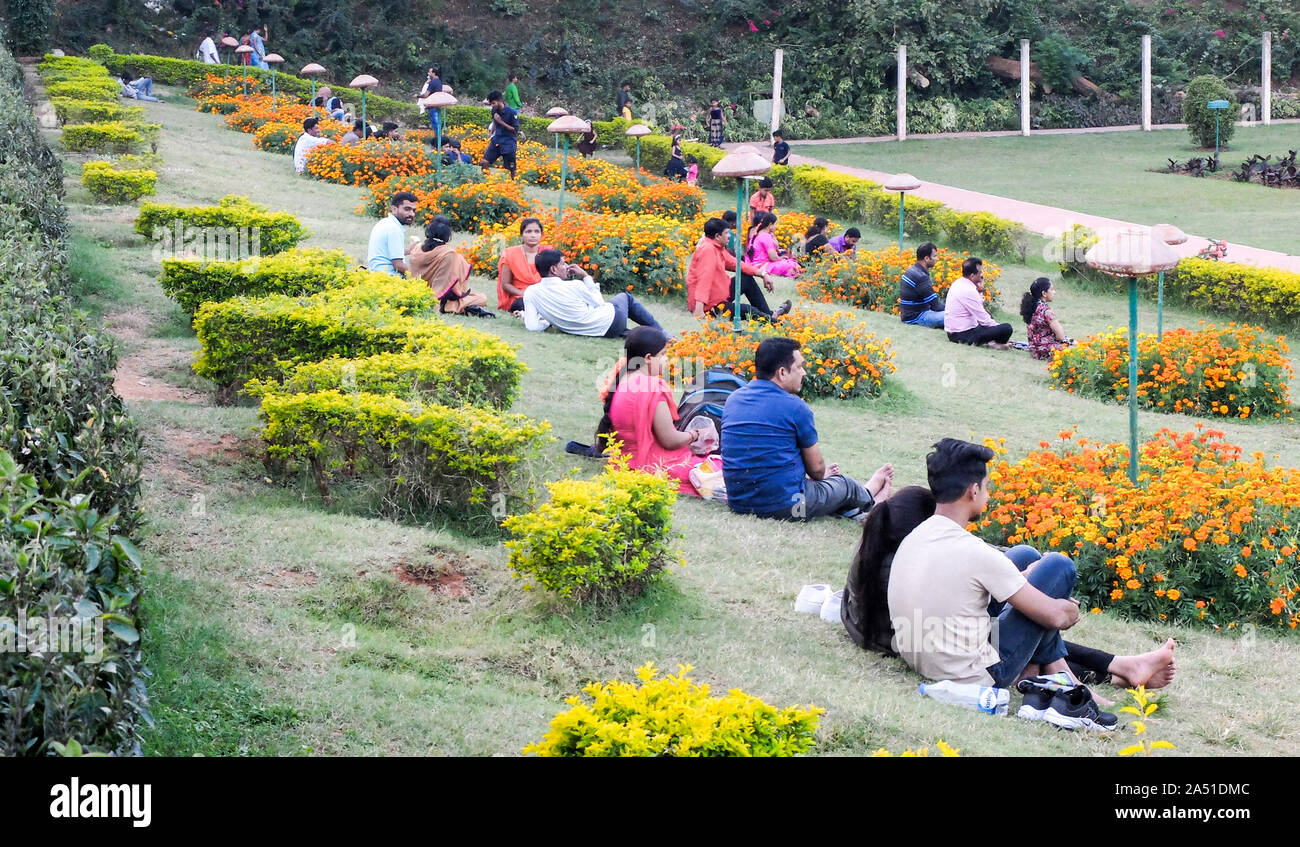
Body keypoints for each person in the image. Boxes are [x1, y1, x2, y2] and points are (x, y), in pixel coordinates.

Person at [886, 438, 1176, 698]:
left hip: (921, 658)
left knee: (1023, 555)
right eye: (987, 487)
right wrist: (1067, 608)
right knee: (1057, 566)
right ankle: (1067, 682)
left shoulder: (916, 537)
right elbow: (1055, 616)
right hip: (975, 676)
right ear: (973, 490)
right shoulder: (975, 552)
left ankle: (1062, 676)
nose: (988, 494)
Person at [722, 338, 893, 521]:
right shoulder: (795, 407)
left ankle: (851, 510)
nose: (803, 372)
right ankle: (869, 496)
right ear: (782, 372)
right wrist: (818, 478)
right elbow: (817, 471)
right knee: (845, 485)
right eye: (799, 367)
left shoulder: (733, 399)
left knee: (822, 491)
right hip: (791, 507)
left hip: (739, 502)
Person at [602, 327, 706, 496]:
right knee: (715, 467)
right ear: (649, 358)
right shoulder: (652, 387)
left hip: (623, 462)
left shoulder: (623, 379)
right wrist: (696, 434)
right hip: (650, 465)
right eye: (663, 354)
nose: (667, 359)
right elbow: (669, 440)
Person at [522, 249, 665, 338]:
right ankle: (663, 334)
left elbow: (532, 327)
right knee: (624, 298)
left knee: (607, 314)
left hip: (589, 330)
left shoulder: (531, 292)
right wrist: (586, 277)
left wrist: (548, 321)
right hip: (611, 322)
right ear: (553, 269)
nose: (566, 267)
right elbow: (600, 303)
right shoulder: (575, 285)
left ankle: (637, 335)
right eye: (563, 264)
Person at [687, 218, 790, 322]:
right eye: (727, 233)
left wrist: (763, 274)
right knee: (748, 310)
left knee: (746, 279)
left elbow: (736, 264)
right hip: (709, 306)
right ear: (717, 236)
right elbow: (704, 281)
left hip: (718, 295)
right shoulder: (708, 250)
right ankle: (776, 323)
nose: (730, 235)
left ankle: (770, 314)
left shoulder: (716, 247)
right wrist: (699, 310)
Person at [406, 215, 493, 317]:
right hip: (437, 297)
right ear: (448, 235)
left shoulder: (417, 248)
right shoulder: (448, 254)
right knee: (482, 298)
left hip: (413, 293)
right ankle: (451, 307)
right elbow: (440, 286)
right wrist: (433, 305)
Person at [945, 257, 1012, 349]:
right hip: (962, 335)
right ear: (972, 276)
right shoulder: (968, 290)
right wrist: (999, 330)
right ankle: (994, 343)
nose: (982, 275)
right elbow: (983, 319)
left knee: (989, 316)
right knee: (1007, 328)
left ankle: (993, 341)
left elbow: (981, 310)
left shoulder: (959, 282)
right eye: (980, 272)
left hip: (958, 331)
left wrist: (980, 290)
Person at [497, 217, 548, 311]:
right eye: (528, 232)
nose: (533, 235)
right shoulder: (510, 254)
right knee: (526, 305)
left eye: (537, 232)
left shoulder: (548, 252)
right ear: (522, 235)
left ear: (541, 235)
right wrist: (524, 294)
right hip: (520, 296)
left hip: (545, 295)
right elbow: (506, 284)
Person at [367, 191, 418, 276]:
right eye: (407, 209)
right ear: (394, 209)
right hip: (388, 279)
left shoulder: (385, 223)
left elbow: (386, 253)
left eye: (413, 210)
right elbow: (398, 265)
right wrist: (420, 275)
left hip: (377, 276)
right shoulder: (394, 228)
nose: (411, 214)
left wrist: (408, 251)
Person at [1021, 277, 1072, 360]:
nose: (1054, 292)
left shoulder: (1032, 307)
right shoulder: (1047, 311)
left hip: (1035, 351)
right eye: (1051, 289)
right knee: (1080, 348)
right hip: (1048, 351)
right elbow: (1061, 336)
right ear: (1044, 293)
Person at [899, 242, 945, 329]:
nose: (937, 259)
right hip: (917, 317)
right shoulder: (920, 277)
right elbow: (936, 306)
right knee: (955, 317)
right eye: (935, 256)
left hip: (908, 315)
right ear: (927, 258)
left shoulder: (911, 270)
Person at [745, 213, 802, 278]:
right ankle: (793, 274)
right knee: (791, 264)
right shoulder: (766, 236)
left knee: (789, 261)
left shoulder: (758, 233)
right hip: (762, 265)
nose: (776, 226)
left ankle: (794, 273)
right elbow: (773, 257)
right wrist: (781, 258)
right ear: (770, 225)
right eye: (775, 224)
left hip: (755, 264)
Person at [480, 90, 519, 179]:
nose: (492, 106)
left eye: (493, 103)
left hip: (508, 142)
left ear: (499, 100)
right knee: (484, 162)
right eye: (491, 104)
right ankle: (487, 182)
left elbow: (515, 130)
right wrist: (492, 130)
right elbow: (494, 121)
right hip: (496, 140)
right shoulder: (494, 110)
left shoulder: (512, 112)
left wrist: (501, 122)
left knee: (511, 168)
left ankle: (514, 185)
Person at [418, 68, 443, 134]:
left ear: (433, 73)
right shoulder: (438, 81)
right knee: (437, 124)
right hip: (437, 104)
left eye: (429, 72)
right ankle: (439, 139)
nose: (428, 74)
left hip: (432, 105)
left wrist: (418, 96)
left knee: (435, 124)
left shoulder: (433, 82)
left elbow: (426, 95)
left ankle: (438, 140)